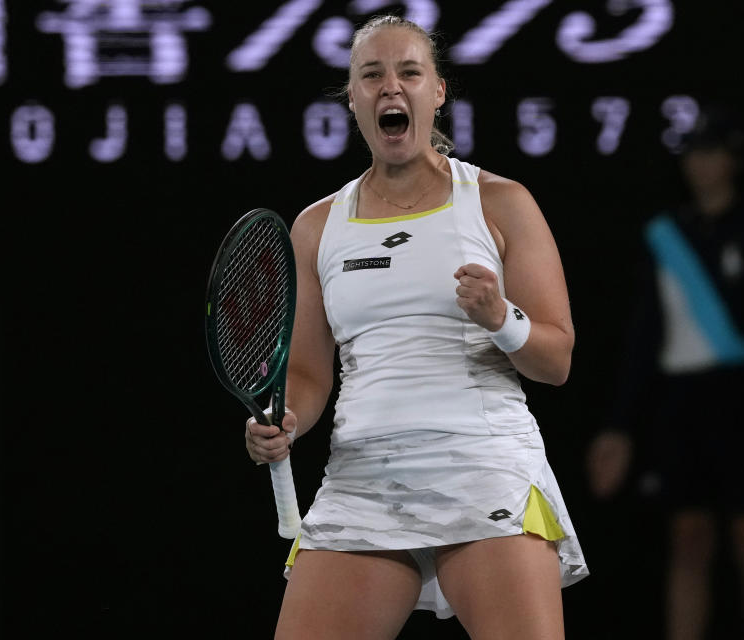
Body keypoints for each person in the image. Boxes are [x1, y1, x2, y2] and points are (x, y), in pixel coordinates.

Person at [244, 15, 588, 640]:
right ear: (353, 98)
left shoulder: (501, 202)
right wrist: (285, 418)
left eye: (409, 72)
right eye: (371, 75)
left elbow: (556, 360)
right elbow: (307, 373)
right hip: (362, 479)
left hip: (485, 467)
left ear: (437, 93)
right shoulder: (317, 227)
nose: (390, 88)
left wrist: (500, 319)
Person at [587, 106, 744, 640]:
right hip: (679, 403)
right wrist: (620, 426)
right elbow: (644, 336)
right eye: (694, 154)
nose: (702, 165)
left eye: (713, 153)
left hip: (740, 397)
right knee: (687, 537)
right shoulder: (665, 234)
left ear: (733, 161)